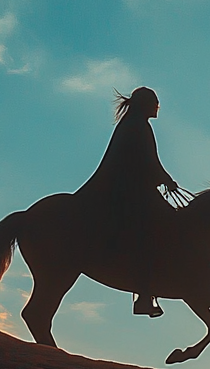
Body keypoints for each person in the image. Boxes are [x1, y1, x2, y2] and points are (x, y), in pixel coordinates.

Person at [76, 85, 180, 316]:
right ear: (146, 105)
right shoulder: (138, 126)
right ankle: (144, 294)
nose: (157, 107)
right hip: (128, 192)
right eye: (155, 103)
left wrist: (163, 178)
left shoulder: (134, 125)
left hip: (131, 188)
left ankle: (145, 294)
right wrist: (166, 179)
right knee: (154, 232)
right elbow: (148, 161)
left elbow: (148, 161)